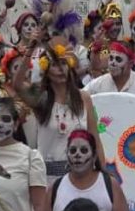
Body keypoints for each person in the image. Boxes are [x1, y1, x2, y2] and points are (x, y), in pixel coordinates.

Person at [18, 39, 101, 183]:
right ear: (46, 70)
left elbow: (95, 139)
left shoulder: (84, 97)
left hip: (82, 176)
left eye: (63, 63)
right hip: (49, 180)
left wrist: (104, 174)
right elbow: (17, 84)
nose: (61, 69)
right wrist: (30, 50)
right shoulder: (41, 100)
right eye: (55, 65)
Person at [42, 129, 135, 211]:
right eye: (73, 150)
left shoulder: (109, 184)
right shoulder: (55, 188)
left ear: (94, 156)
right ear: (67, 155)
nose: (77, 155)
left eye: (84, 150)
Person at [84, 40, 135, 120]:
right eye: (111, 58)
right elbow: (80, 99)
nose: (113, 63)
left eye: (118, 59)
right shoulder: (97, 84)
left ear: (130, 64)